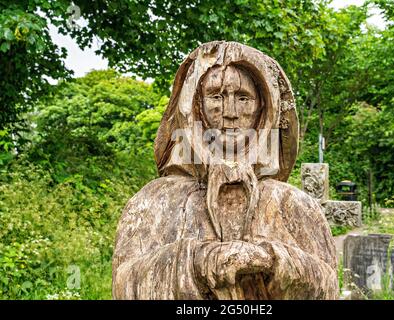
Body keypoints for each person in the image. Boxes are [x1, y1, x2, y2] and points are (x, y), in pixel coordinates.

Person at [112, 41, 338, 300]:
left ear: (263, 109)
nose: (230, 113)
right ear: (195, 106)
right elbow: (124, 283)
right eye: (216, 97)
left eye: (243, 98)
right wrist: (198, 262)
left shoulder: (294, 204)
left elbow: (328, 283)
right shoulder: (155, 200)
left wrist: (273, 261)